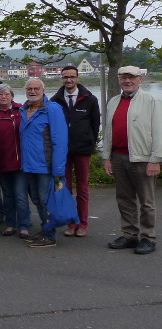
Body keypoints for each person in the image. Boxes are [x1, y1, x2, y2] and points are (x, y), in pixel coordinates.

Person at [102, 66, 162, 255]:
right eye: (124, 77)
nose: (127, 81)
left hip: (142, 158)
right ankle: (129, 234)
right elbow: (108, 131)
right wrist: (107, 157)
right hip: (119, 157)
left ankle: (148, 237)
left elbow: (159, 132)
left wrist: (155, 159)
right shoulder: (113, 101)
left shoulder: (151, 101)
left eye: (132, 77)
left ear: (140, 79)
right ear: (119, 79)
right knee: (124, 199)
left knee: (147, 201)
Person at [51, 65, 100, 237]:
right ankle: (71, 223)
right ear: (61, 79)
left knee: (83, 188)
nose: (69, 80)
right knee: (65, 188)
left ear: (77, 78)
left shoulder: (90, 99)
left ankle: (82, 223)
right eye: (65, 77)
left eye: (72, 77)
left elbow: (95, 125)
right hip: (62, 152)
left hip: (82, 150)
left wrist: (90, 142)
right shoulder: (54, 100)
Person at [19, 78, 68, 248]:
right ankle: (45, 229)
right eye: (29, 88)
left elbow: (60, 140)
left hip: (45, 166)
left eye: (36, 88)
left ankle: (50, 235)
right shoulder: (23, 110)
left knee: (46, 201)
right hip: (29, 165)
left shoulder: (52, 109)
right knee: (38, 200)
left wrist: (59, 168)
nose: (32, 91)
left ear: (43, 90)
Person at [0, 84, 30, 238]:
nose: (4, 97)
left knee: (20, 195)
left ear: (12, 96)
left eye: (7, 94)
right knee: (7, 195)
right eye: (0, 94)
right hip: (2, 161)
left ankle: (24, 225)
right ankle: (10, 224)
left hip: (19, 161)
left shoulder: (21, 111)